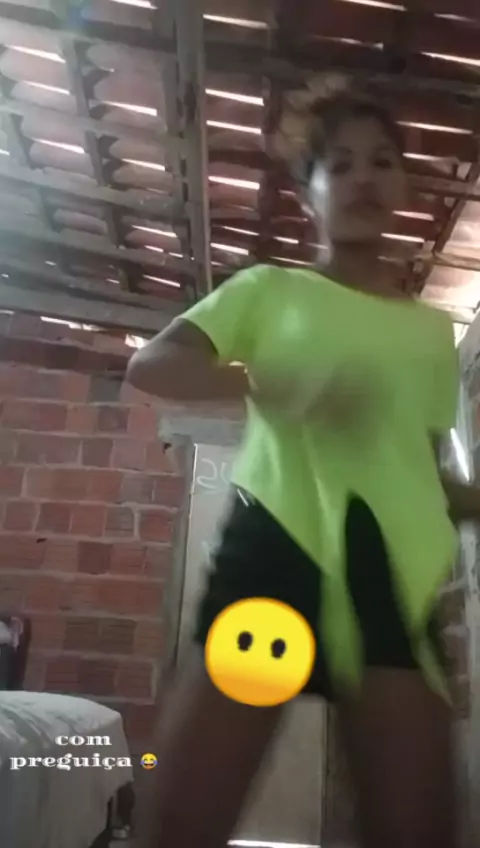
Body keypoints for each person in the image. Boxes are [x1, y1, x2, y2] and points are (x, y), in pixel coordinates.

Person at [127, 80, 479, 848]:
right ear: (308, 192)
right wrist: (262, 381)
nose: (363, 178)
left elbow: (421, 471)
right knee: (179, 826)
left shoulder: (431, 336)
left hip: (392, 582)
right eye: (339, 164)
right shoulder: (268, 290)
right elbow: (151, 365)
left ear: (404, 186)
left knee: (418, 829)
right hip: (272, 564)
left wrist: (472, 500)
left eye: (382, 161)